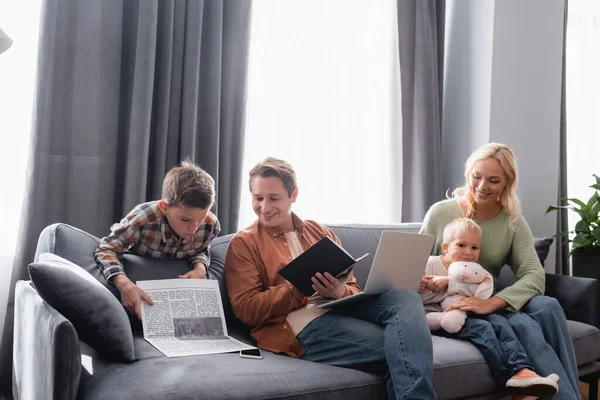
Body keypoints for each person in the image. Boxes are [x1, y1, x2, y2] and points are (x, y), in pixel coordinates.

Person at [225, 157, 437, 400]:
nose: (264, 206)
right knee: (404, 351)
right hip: (298, 325)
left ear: (293, 194)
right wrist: (297, 289)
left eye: (273, 198)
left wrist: (338, 291)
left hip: (340, 308)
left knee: (405, 296)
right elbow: (246, 309)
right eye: (257, 198)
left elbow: (353, 287)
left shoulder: (320, 232)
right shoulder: (244, 244)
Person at [420, 143, 581, 400]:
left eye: (494, 180)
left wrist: (493, 302)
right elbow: (414, 265)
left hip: (488, 298)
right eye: (477, 176)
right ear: (468, 174)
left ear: (507, 182)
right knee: (524, 324)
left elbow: (534, 275)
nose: (483, 186)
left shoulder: (512, 220)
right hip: (453, 305)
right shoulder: (441, 213)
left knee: (548, 305)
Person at [420, 217, 559, 399]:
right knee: (483, 329)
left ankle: (523, 369)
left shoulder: (471, 270)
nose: (468, 252)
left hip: (467, 312)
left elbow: (482, 292)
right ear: (446, 247)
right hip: (440, 319)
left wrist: (449, 282)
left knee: (499, 321)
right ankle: (511, 381)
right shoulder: (431, 263)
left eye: (474, 248)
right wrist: (428, 285)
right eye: (461, 245)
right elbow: (417, 295)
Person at [95, 159, 221, 319]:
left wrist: (200, 269)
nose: (194, 228)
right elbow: (107, 248)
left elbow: (201, 248)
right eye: (185, 219)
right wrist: (124, 284)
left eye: (200, 219)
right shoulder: (142, 219)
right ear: (164, 207)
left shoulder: (210, 225)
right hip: (138, 286)